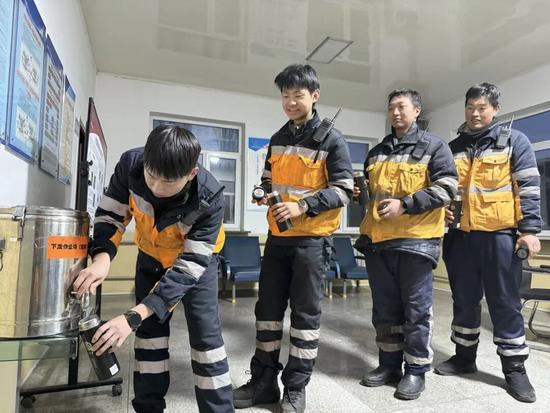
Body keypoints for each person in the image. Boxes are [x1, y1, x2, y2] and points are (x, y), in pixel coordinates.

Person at [73, 125, 234, 413]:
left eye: (169, 182)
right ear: (145, 161)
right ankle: (148, 407)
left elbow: (189, 268)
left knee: (206, 341)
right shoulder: (130, 165)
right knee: (149, 337)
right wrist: (102, 258)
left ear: (191, 174)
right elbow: (111, 215)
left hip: (195, 265)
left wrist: (133, 316)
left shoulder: (210, 196)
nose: (157, 188)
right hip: (150, 255)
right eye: (151, 176)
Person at [232, 64, 353, 413]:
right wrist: (262, 192)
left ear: (314, 96)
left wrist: (303, 206)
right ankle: (263, 383)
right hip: (278, 239)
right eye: (284, 96)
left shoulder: (332, 139)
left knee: (304, 317)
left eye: (297, 95)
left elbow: (344, 190)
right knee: (267, 312)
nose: (290, 102)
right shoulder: (277, 138)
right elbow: (268, 179)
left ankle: (296, 388)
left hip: (312, 241)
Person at [434, 83, 542, 403]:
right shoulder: (452, 147)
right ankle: (464, 357)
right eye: (470, 107)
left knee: (505, 303)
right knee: (463, 300)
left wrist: (529, 230)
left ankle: (514, 369)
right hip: (459, 237)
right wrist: (442, 211)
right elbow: (443, 189)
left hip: (499, 236)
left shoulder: (514, 141)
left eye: (482, 108)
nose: (475, 113)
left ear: (495, 109)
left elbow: (528, 187)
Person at [354, 89, 458, 400]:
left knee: (416, 311)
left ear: (416, 111)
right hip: (378, 242)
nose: (396, 112)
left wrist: (406, 204)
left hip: (416, 243)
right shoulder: (377, 152)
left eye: (402, 107)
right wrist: (361, 195)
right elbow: (373, 195)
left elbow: (448, 188)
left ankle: (415, 370)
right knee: (385, 311)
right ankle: (389, 365)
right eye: (391, 108)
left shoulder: (434, 146)